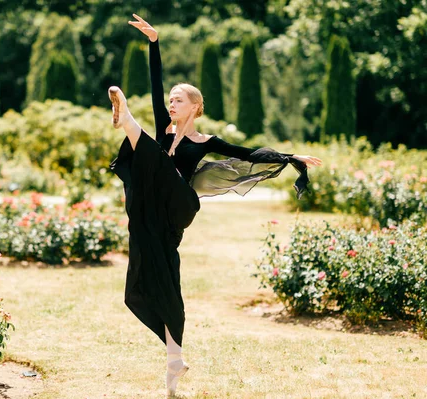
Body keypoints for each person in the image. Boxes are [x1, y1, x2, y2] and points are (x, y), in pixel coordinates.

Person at [109, 14, 322, 397]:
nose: (171, 103)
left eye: (178, 100)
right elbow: (155, 84)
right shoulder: (165, 127)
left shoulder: (206, 141)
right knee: (152, 277)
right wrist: (154, 42)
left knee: (154, 155)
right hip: (154, 210)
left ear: (194, 106)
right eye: (170, 100)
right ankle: (174, 360)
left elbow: (248, 153)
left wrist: (291, 157)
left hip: (179, 204)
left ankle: (126, 121)